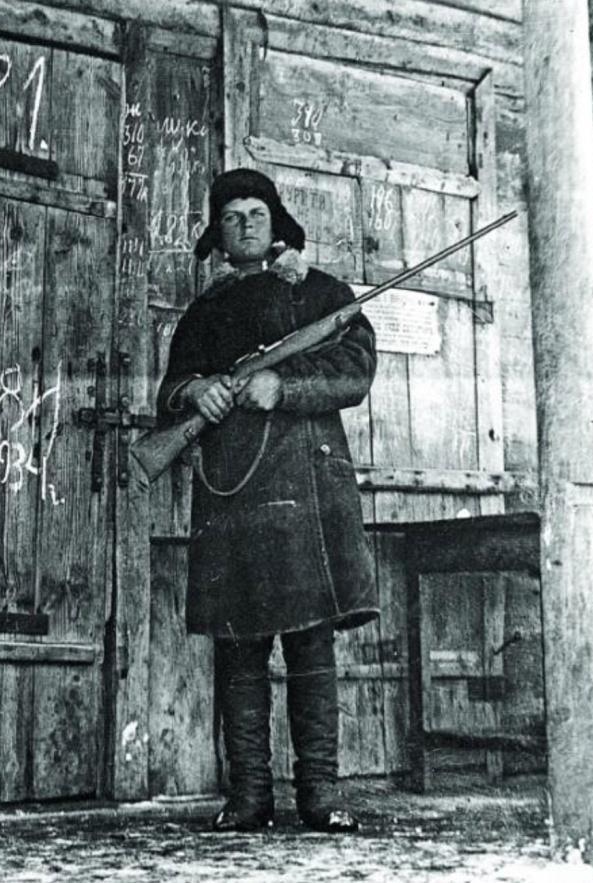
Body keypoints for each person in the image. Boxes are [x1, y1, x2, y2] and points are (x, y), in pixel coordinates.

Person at [157, 168, 378, 832]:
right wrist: (198, 394)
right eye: (231, 217)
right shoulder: (204, 312)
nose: (246, 224)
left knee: (311, 645)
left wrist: (282, 388)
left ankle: (322, 796)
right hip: (234, 496)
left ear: (277, 223)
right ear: (218, 237)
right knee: (238, 648)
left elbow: (354, 369)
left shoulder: (323, 294)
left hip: (307, 493)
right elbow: (171, 387)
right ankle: (248, 796)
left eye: (256, 213)